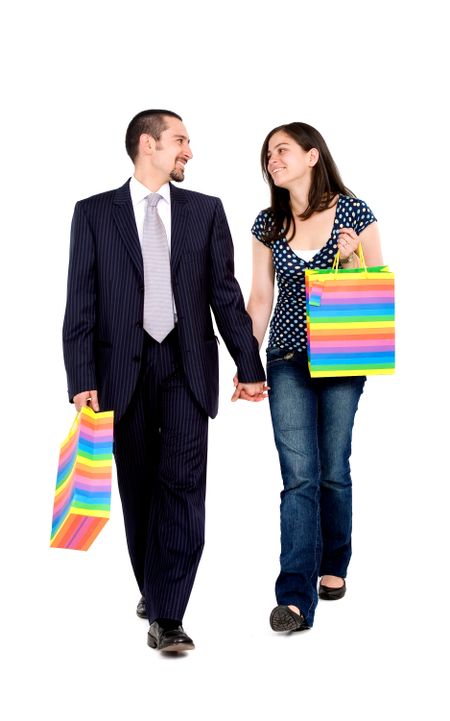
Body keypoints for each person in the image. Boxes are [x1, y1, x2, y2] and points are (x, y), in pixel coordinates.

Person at [62, 109, 266, 653]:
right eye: (180, 141)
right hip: (117, 372)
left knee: (181, 486)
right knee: (138, 488)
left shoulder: (205, 211)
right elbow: (80, 303)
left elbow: (224, 295)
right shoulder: (93, 214)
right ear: (147, 145)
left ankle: (168, 616)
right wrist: (80, 377)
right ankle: (152, 589)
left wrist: (250, 366)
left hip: (186, 367)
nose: (189, 152)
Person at [245, 122, 383, 633]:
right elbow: (260, 300)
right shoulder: (268, 224)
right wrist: (246, 361)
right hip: (285, 356)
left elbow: (376, 289)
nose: (272, 160)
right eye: (267, 155)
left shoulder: (354, 211)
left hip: (344, 355)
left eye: (281, 150)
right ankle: (296, 598)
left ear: (311, 154)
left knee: (332, 468)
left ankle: (335, 563)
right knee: (299, 475)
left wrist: (352, 259)